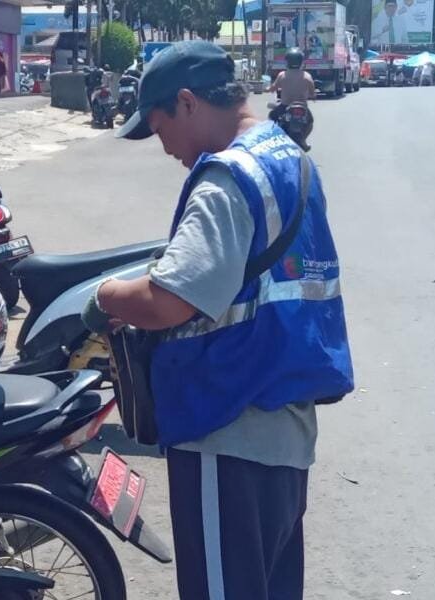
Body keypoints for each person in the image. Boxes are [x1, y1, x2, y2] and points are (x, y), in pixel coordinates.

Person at [92, 40, 354, 600]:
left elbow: (169, 301)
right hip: (284, 425)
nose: (165, 150)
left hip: (228, 425)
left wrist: (108, 295)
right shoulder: (289, 158)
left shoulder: (227, 179)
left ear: (187, 103)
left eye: (159, 128)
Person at [268, 48, 316, 148]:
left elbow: (273, 88)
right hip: (303, 107)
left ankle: (275, 139)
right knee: (310, 122)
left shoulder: (282, 75)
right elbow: (313, 93)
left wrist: (266, 88)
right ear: (301, 62)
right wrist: (312, 96)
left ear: (287, 62)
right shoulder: (307, 76)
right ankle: (303, 141)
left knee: (272, 116)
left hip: (285, 106)